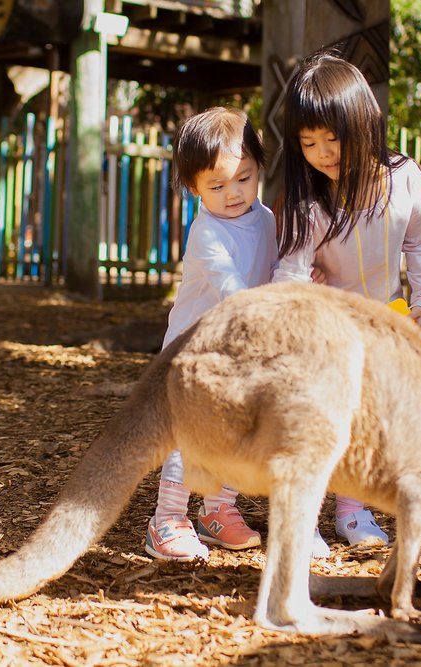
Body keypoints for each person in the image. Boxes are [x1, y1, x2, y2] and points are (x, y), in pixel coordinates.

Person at [272, 50, 421, 556]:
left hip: (385, 321)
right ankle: (302, 518)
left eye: (333, 137)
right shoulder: (310, 205)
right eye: (309, 143)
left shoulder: (404, 177)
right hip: (329, 327)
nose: (323, 153)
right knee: (322, 422)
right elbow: (291, 271)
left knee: (368, 422)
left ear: (364, 122)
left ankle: (353, 510)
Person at [145, 107, 277, 561]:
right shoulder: (207, 232)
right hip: (195, 353)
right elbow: (230, 288)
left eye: (243, 178)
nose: (233, 193)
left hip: (241, 350)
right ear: (194, 188)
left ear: (258, 167)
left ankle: (218, 510)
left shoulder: (268, 219)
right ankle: (166, 519)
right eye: (216, 186)